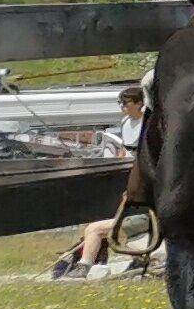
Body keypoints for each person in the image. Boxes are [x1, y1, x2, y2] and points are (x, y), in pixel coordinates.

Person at [50, 85, 150, 279]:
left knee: (104, 225)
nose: (122, 107)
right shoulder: (125, 123)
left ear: (139, 103)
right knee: (96, 219)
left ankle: (85, 264)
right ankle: (91, 256)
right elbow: (123, 151)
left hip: (139, 178)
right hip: (125, 175)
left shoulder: (147, 122)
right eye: (120, 103)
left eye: (126, 103)